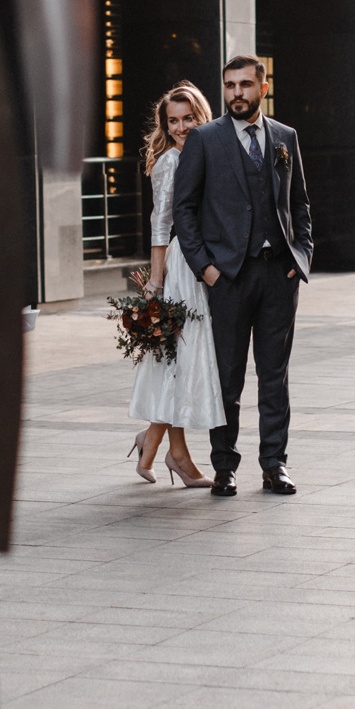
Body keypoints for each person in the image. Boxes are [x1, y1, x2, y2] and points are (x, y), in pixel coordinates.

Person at [172, 55, 312, 498]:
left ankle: (275, 465)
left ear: (262, 88)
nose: (236, 93)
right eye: (230, 85)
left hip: (278, 276)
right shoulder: (204, 139)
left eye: (245, 85)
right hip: (228, 278)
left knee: (275, 375)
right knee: (227, 378)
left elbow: (301, 205)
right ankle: (224, 467)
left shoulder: (285, 137)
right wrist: (206, 269)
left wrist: (301, 256)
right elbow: (184, 211)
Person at [127, 82, 225, 487]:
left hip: (207, 261)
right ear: (165, 126)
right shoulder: (170, 161)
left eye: (188, 118)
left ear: (202, 115)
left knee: (180, 360)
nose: (182, 127)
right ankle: (174, 452)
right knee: (181, 356)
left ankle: (157, 442)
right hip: (183, 266)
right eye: (173, 121)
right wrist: (156, 280)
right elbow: (160, 224)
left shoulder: (208, 150)